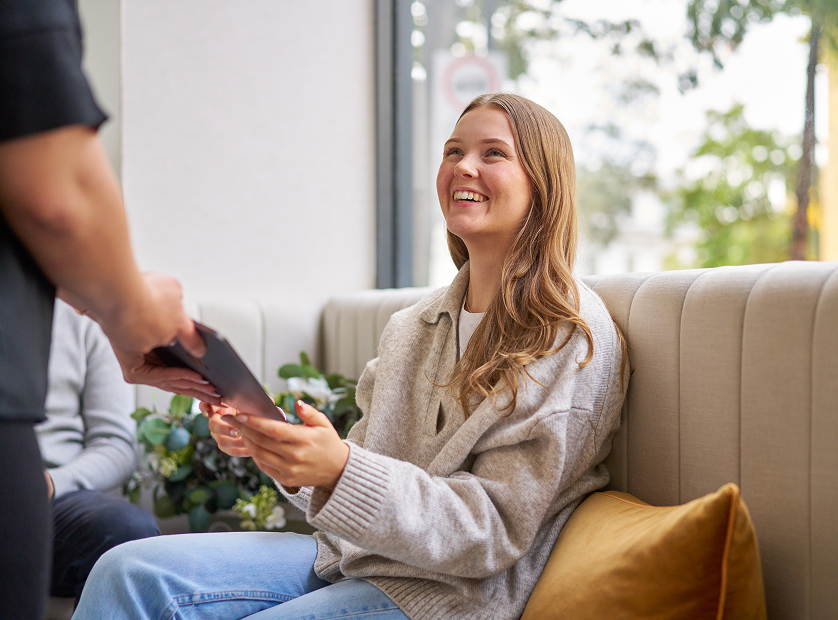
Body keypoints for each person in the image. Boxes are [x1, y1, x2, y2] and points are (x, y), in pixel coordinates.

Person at [72, 93, 630, 620]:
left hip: (451, 596)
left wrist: (339, 468)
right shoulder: (414, 327)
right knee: (127, 569)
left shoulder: (567, 336)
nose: (463, 166)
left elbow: (492, 529)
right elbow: (361, 462)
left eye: (494, 154)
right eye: (453, 152)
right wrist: (277, 443)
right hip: (348, 557)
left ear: (544, 184)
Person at [0, 1, 219, 618]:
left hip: (63, 492)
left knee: (118, 527)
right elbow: (56, 197)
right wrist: (137, 312)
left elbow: (115, 443)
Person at [38, 299, 162, 605]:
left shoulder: (85, 314)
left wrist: (52, 482)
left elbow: (115, 444)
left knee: (127, 530)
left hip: (55, 493)